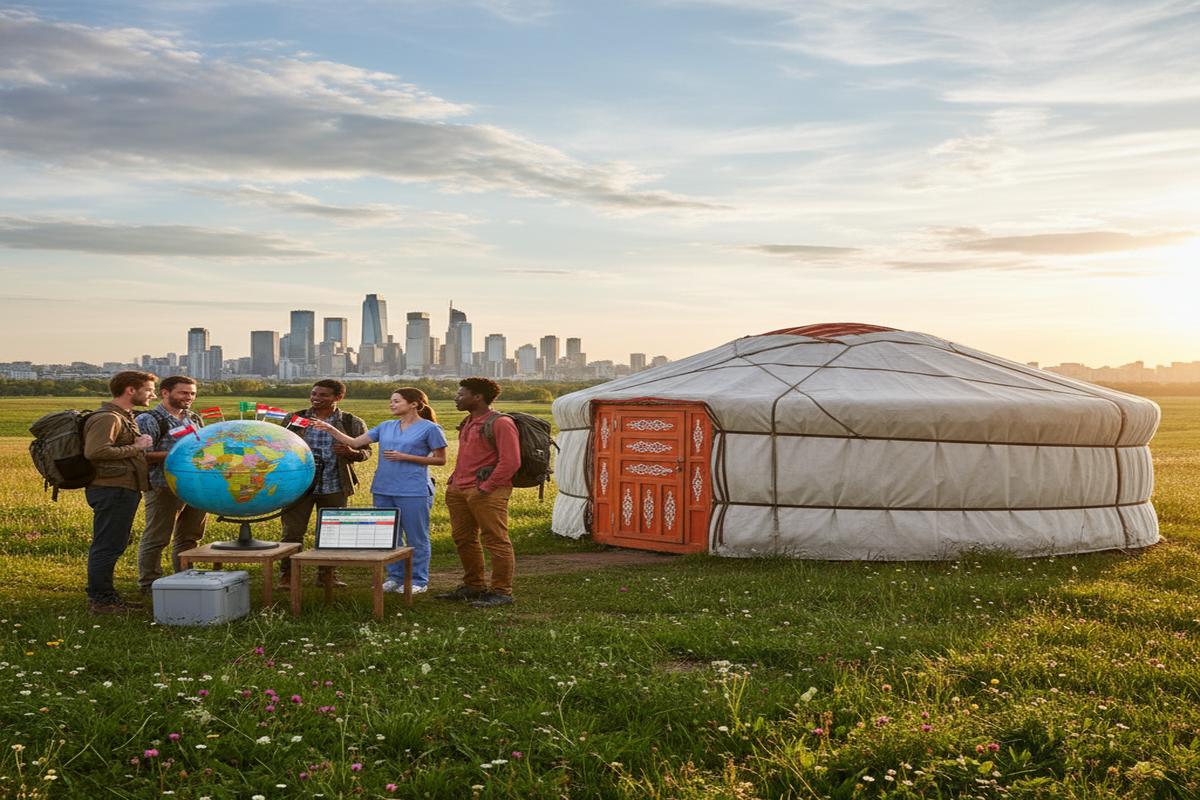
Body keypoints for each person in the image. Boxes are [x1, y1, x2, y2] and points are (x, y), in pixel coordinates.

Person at [310, 388, 447, 594]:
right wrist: (330, 429)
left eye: (396, 401)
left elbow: (440, 459)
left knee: (416, 537)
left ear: (414, 404)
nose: (391, 404)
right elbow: (355, 443)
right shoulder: (386, 426)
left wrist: (405, 457)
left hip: (413, 490)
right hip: (383, 488)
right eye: (391, 401)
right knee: (388, 536)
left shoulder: (430, 429)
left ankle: (418, 580)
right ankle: (395, 577)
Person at [436, 377, 520, 608]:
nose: (456, 397)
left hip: (486, 491)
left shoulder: (501, 423)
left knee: (495, 539)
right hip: (459, 489)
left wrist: (486, 487)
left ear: (478, 397)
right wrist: (454, 481)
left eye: (461, 394)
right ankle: (474, 586)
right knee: (464, 539)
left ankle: (502, 592)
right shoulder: (467, 421)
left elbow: (511, 461)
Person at [280, 379, 371, 585]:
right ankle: (288, 576)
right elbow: (279, 445)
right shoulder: (295, 418)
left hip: (335, 485)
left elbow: (366, 452)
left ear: (338, 397)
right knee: (292, 533)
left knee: (332, 532)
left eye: (323, 395)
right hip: (298, 487)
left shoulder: (351, 422)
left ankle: (327, 575)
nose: (316, 399)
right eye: (314, 394)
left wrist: (351, 452)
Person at [82, 370, 156, 613]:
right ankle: (102, 600)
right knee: (107, 545)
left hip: (123, 487)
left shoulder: (123, 416)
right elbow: (96, 452)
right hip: (111, 488)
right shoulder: (108, 418)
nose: (152, 394)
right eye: (148, 389)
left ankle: (106, 596)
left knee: (114, 542)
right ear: (130, 390)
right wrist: (136, 447)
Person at [135, 375, 208, 595]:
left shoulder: (194, 418)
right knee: (157, 537)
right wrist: (176, 455)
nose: (189, 397)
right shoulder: (150, 419)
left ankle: (184, 576)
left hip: (196, 487)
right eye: (183, 393)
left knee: (190, 536)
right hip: (163, 487)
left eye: (192, 393)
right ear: (165, 392)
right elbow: (140, 456)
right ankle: (149, 583)